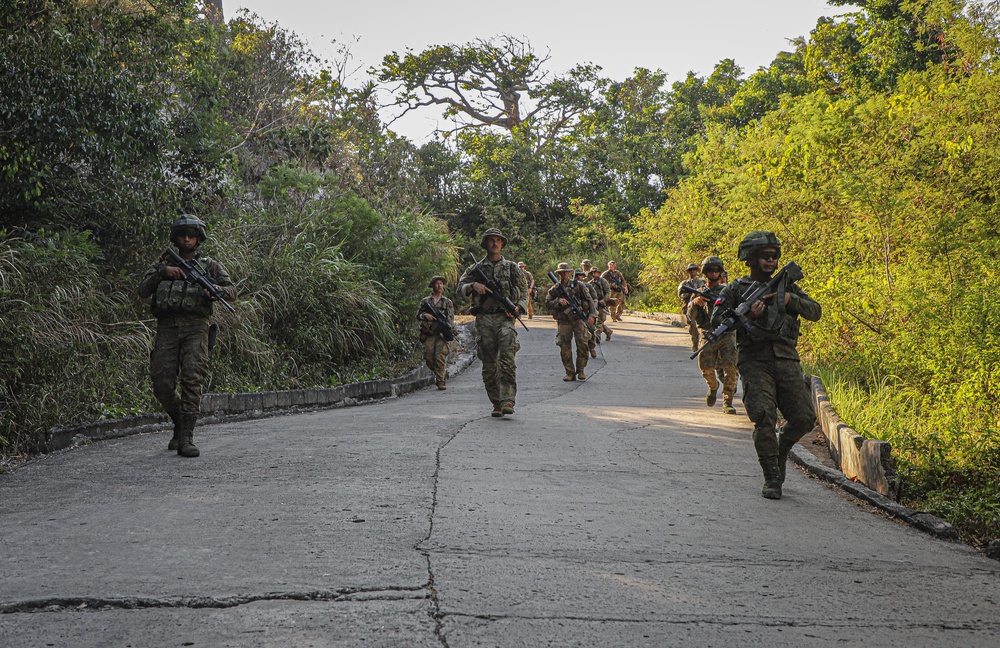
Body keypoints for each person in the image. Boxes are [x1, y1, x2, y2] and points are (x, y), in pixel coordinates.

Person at [712, 231, 821, 500]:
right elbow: (717, 320)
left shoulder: (786, 286)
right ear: (750, 259)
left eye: (774, 256)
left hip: (787, 359)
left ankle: (782, 448)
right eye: (765, 257)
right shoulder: (736, 289)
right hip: (754, 360)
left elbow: (815, 311)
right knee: (763, 417)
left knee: (804, 418)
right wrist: (747, 315)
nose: (771, 261)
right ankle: (772, 477)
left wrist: (788, 300)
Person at [138, 215, 237, 458]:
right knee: (161, 383)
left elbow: (232, 290)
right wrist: (163, 272)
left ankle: (186, 437)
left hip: (196, 328)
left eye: (191, 235)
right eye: (182, 234)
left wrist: (217, 291)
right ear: (176, 237)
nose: (186, 239)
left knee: (193, 380)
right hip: (167, 328)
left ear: (198, 238)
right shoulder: (163, 263)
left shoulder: (210, 266)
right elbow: (142, 290)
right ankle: (179, 421)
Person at [458, 228, 528, 417]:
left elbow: (523, 292)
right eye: (491, 240)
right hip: (484, 320)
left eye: (498, 240)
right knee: (489, 364)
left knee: (507, 359)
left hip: (505, 319)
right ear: (486, 244)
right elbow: (460, 287)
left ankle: (507, 401)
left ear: (502, 244)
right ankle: (496, 402)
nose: (495, 243)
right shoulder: (476, 269)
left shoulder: (511, 267)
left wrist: (518, 308)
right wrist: (473, 286)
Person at [689, 256, 738, 414]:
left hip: (727, 334)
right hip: (708, 334)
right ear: (705, 272)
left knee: (731, 368)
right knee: (706, 368)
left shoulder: (728, 292)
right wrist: (695, 303)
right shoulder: (700, 293)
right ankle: (713, 387)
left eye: (717, 270)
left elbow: (738, 311)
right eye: (710, 270)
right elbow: (690, 317)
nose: (714, 273)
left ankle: (728, 401)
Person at [546, 263, 596, 381]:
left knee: (583, 344)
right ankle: (570, 372)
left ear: (569, 273)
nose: (564, 274)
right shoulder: (555, 289)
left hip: (578, 319)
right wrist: (558, 301)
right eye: (562, 272)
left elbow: (589, 300)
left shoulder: (578, 285)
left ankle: (581, 369)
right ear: (558, 274)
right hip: (564, 320)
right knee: (564, 347)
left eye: (566, 272)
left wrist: (592, 315)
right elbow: (547, 303)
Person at [418, 276, 455, 390]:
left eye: (441, 283)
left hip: (441, 334)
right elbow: (418, 315)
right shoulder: (426, 301)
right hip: (429, 333)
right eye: (437, 283)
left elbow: (451, 318)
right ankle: (440, 372)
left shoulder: (447, 302)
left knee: (440, 356)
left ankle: (441, 381)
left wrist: (446, 331)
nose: (439, 285)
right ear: (433, 285)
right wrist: (425, 315)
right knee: (429, 358)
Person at [677, 262, 706, 352]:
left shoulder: (702, 282)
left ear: (697, 271)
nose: (692, 271)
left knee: (703, 325)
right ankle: (695, 343)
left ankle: (703, 343)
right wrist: (692, 294)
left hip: (702, 306)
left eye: (694, 269)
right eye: (690, 270)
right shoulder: (684, 283)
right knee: (692, 326)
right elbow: (680, 295)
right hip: (690, 307)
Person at [588, 266, 613, 342]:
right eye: (592, 273)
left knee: (600, 321)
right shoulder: (590, 284)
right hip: (594, 305)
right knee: (596, 322)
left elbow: (608, 292)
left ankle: (597, 336)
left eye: (595, 273)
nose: (594, 274)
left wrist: (604, 300)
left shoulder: (603, 281)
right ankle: (608, 331)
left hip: (602, 304)